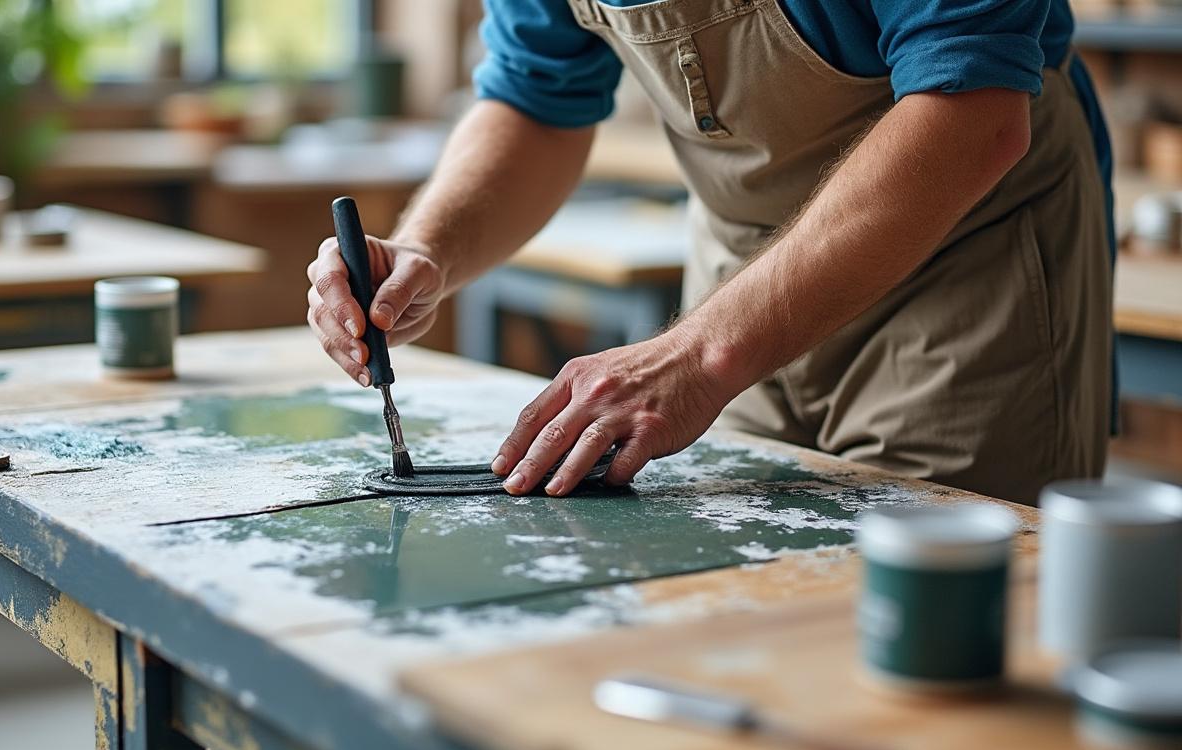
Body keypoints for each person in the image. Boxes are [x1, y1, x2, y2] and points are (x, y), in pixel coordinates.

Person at [306, 0, 1114, 506]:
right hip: (737, 279)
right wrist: (426, 247)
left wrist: (696, 357)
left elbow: (972, 112)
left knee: (928, 638)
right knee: (744, 608)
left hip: (963, 269)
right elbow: (533, 100)